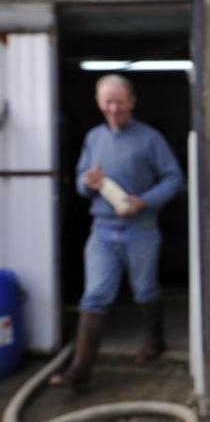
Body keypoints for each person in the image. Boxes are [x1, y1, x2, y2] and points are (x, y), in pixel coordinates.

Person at [50, 74, 183, 387]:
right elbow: (82, 184)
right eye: (107, 102)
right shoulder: (94, 138)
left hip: (141, 228)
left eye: (119, 101)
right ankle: (79, 369)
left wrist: (144, 201)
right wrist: (87, 182)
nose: (113, 108)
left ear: (131, 102)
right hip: (103, 230)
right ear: (99, 103)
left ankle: (155, 341)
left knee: (144, 289)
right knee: (94, 295)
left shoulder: (150, 138)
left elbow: (173, 178)